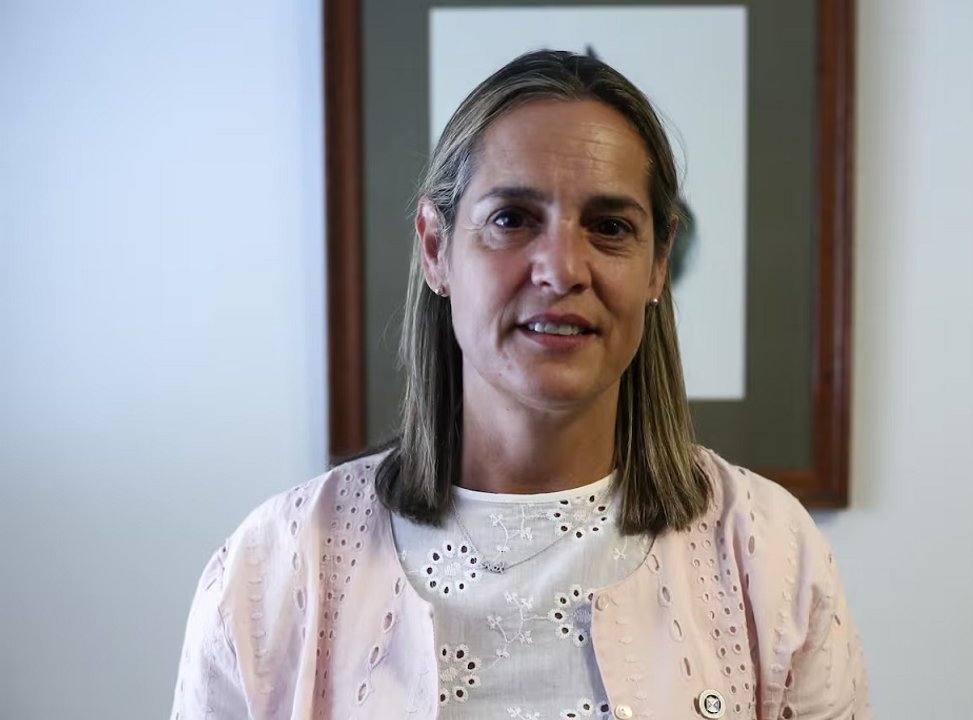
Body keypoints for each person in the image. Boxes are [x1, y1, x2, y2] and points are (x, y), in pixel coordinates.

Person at [171, 50, 870, 720]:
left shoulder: (769, 556)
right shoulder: (278, 568)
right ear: (436, 248)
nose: (562, 269)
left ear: (659, 263)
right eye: (511, 220)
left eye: (609, 226)